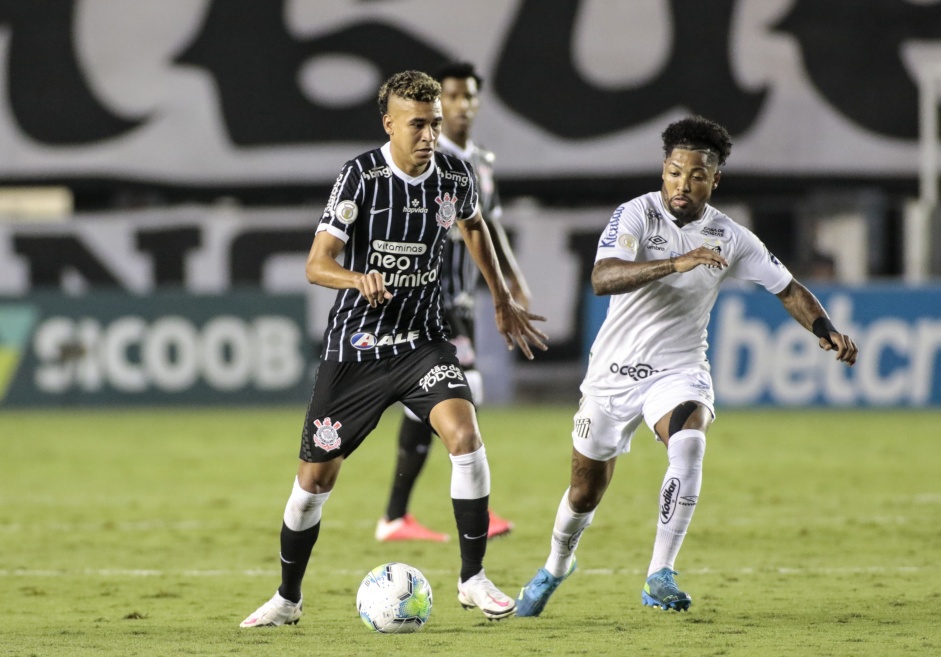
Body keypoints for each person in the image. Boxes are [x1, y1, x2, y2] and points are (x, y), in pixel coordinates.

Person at [240, 70, 548, 628]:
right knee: (314, 482)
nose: (430, 135)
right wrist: (357, 279)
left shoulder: (454, 173)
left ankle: (473, 579)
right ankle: (287, 598)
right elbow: (316, 264)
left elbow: (475, 227)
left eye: (433, 124)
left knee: (466, 434)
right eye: (417, 125)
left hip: (421, 343)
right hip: (356, 347)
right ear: (389, 124)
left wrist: (501, 299)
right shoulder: (359, 177)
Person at [515, 116, 858, 616]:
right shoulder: (634, 215)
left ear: (714, 180)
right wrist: (673, 263)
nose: (683, 184)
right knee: (585, 491)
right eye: (675, 172)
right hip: (613, 374)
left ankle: (660, 572)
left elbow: (786, 288)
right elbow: (603, 278)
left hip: (678, 370)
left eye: (697, 175)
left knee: (690, 440)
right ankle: (557, 565)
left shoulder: (730, 236)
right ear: (663, 171)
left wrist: (825, 329)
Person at [375, 62, 530, 543]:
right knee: (466, 392)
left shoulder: (479, 162)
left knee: (435, 401)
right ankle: (461, 512)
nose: (462, 105)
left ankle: (396, 517)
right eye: (454, 97)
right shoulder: (422, 155)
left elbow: (490, 225)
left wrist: (513, 283)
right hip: (427, 298)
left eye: (469, 97)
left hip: (462, 299)